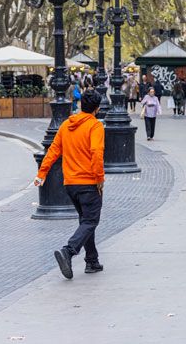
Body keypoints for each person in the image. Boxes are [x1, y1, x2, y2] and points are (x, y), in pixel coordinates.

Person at [34, 89, 105, 279]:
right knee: (91, 221)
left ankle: (92, 260)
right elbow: (97, 153)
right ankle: (69, 251)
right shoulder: (95, 126)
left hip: (70, 184)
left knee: (86, 221)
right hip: (89, 182)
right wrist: (99, 179)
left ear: (81, 105)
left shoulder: (66, 125)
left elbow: (53, 151)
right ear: (97, 109)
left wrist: (42, 174)